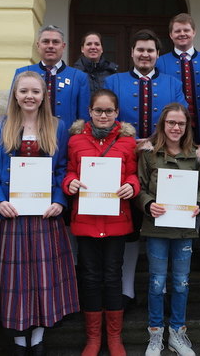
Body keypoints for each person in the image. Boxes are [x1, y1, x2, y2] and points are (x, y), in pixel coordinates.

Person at [0, 70, 79, 356]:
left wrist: (60, 201)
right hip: (11, 217)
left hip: (45, 216)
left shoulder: (58, 127)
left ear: (44, 95)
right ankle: (18, 342)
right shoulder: (0, 125)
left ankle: (37, 339)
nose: (29, 96)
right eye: (24, 91)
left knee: (42, 280)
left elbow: (62, 169)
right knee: (16, 282)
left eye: (35, 91)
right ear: (15, 94)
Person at [104, 29, 187, 311]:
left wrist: (154, 141)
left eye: (150, 50)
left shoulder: (173, 83)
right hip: (123, 162)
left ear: (157, 55)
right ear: (132, 53)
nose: (145, 54)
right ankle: (126, 290)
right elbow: (105, 116)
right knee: (128, 228)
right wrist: (129, 141)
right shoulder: (113, 81)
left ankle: (160, 287)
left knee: (159, 223)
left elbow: (180, 119)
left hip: (161, 164)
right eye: (140, 49)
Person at [62, 89, 140, 356]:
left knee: (112, 276)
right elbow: (69, 170)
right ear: (90, 112)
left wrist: (132, 185)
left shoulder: (128, 142)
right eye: (98, 111)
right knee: (90, 278)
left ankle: (115, 337)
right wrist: (68, 182)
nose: (104, 115)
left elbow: (133, 174)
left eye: (109, 111)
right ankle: (93, 338)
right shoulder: (75, 141)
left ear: (117, 112)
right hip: (86, 219)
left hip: (117, 219)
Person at [136, 103, 200, 356]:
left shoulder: (195, 156)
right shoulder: (148, 154)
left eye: (181, 123)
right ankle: (155, 334)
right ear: (162, 125)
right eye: (171, 123)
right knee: (156, 283)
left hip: (184, 230)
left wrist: (199, 204)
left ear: (187, 127)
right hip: (157, 228)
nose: (175, 128)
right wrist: (148, 204)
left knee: (180, 282)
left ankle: (177, 332)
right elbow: (140, 187)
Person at [156, 13, 200, 144]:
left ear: (194, 32)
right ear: (171, 35)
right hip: (172, 129)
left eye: (186, 30)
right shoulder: (159, 63)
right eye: (177, 31)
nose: (182, 34)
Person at [15, 25, 91, 127]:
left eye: (55, 42)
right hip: (28, 136)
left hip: (66, 139)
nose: (50, 46)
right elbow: (13, 109)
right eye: (45, 41)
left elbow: (84, 117)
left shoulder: (78, 77)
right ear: (38, 45)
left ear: (63, 46)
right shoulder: (22, 73)